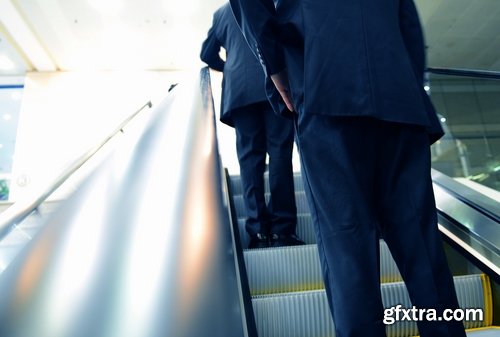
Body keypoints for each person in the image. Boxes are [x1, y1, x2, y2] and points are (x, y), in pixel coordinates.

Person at [228, 0, 467, 336]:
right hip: (398, 95)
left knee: (347, 246)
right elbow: (407, 19)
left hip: (320, 81)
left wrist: (275, 65)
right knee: (423, 250)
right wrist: (410, 90)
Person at [200, 2, 305, 249]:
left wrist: (230, 68)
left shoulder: (221, 14)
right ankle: (283, 230)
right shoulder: (272, 3)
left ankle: (257, 231)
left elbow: (206, 53)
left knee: (249, 159)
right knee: (280, 155)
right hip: (277, 84)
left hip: (240, 92)